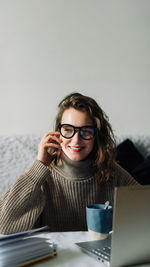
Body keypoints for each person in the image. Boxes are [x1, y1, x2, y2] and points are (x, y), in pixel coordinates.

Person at [0, 92, 138, 234]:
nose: (76, 140)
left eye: (86, 131)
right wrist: (40, 164)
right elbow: (3, 228)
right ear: (58, 132)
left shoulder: (112, 172)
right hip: (56, 256)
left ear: (96, 135)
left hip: (100, 255)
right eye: (68, 130)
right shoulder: (42, 175)